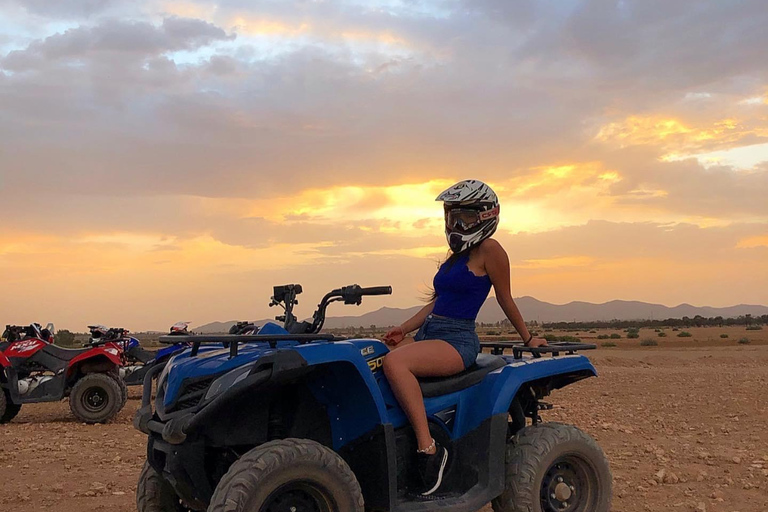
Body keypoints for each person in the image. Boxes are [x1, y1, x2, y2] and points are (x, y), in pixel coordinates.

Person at [382, 179, 548, 496]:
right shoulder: (456, 257)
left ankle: (428, 448)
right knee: (377, 352)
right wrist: (403, 329)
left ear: (486, 216)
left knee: (395, 364)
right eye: (451, 217)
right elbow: (436, 303)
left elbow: (505, 298)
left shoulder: (491, 251)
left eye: (465, 218)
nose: (456, 225)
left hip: (457, 341)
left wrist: (528, 339)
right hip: (432, 332)